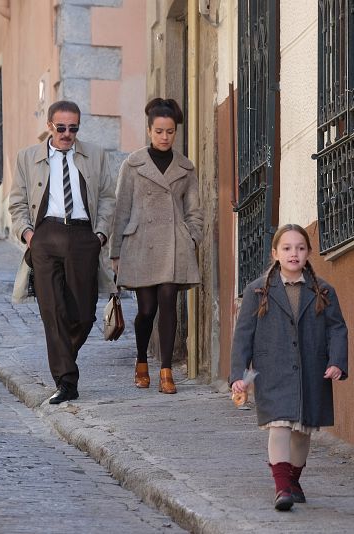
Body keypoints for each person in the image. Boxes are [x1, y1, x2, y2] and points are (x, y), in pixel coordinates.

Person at [230, 224, 349, 511]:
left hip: (311, 371)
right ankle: (282, 487)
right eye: (286, 248)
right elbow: (243, 336)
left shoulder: (323, 291)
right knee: (280, 425)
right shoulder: (257, 290)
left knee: (302, 431)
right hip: (273, 370)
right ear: (275, 253)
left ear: (308, 253)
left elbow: (338, 329)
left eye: (300, 248)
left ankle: (294, 479)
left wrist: (336, 362)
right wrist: (238, 376)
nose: (293, 253)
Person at [9, 100, 115, 404]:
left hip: (84, 236)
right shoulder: (28, 157)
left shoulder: (95, 155)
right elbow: (17, 203)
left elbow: (108, 197)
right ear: (49, 126)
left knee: (83, 314)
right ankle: (67, 381)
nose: (67, 134)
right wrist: (28, 234)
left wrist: (100, 234)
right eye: (61, 127)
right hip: (46, 236)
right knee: (52, 311)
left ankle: (63, 358)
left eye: (73, 128)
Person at [109, 98, 203, 394]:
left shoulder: (186, 167)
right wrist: (115, 252)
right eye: (160, 131)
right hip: (140, 244)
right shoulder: (133, 165)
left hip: (174, 245)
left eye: (170, 132)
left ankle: (166, 370)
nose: (165, 137)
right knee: (147, 309)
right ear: (150, 130)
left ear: (176, 132)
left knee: (168, 301)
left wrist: (192, 236)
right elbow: (121, 208)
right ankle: (140, 360)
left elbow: (195, 209)